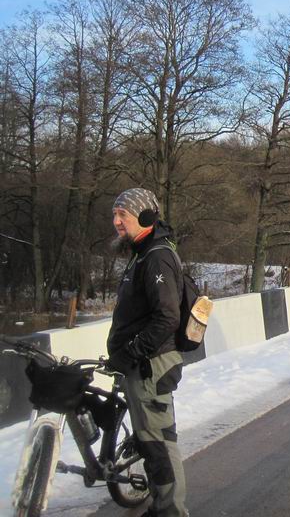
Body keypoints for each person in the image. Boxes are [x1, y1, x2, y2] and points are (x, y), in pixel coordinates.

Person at [106, 188, 189, 517]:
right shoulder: (141, 252)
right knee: (150, 441)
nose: (115, 222)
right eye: (114, 215)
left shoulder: (155, 256)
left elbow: (168, 317)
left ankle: (171, 511)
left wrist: (130, 352)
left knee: (159, 445)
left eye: (122, 215)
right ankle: (161, 505)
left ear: (144, 217)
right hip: (141, 364)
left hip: (151, 365)